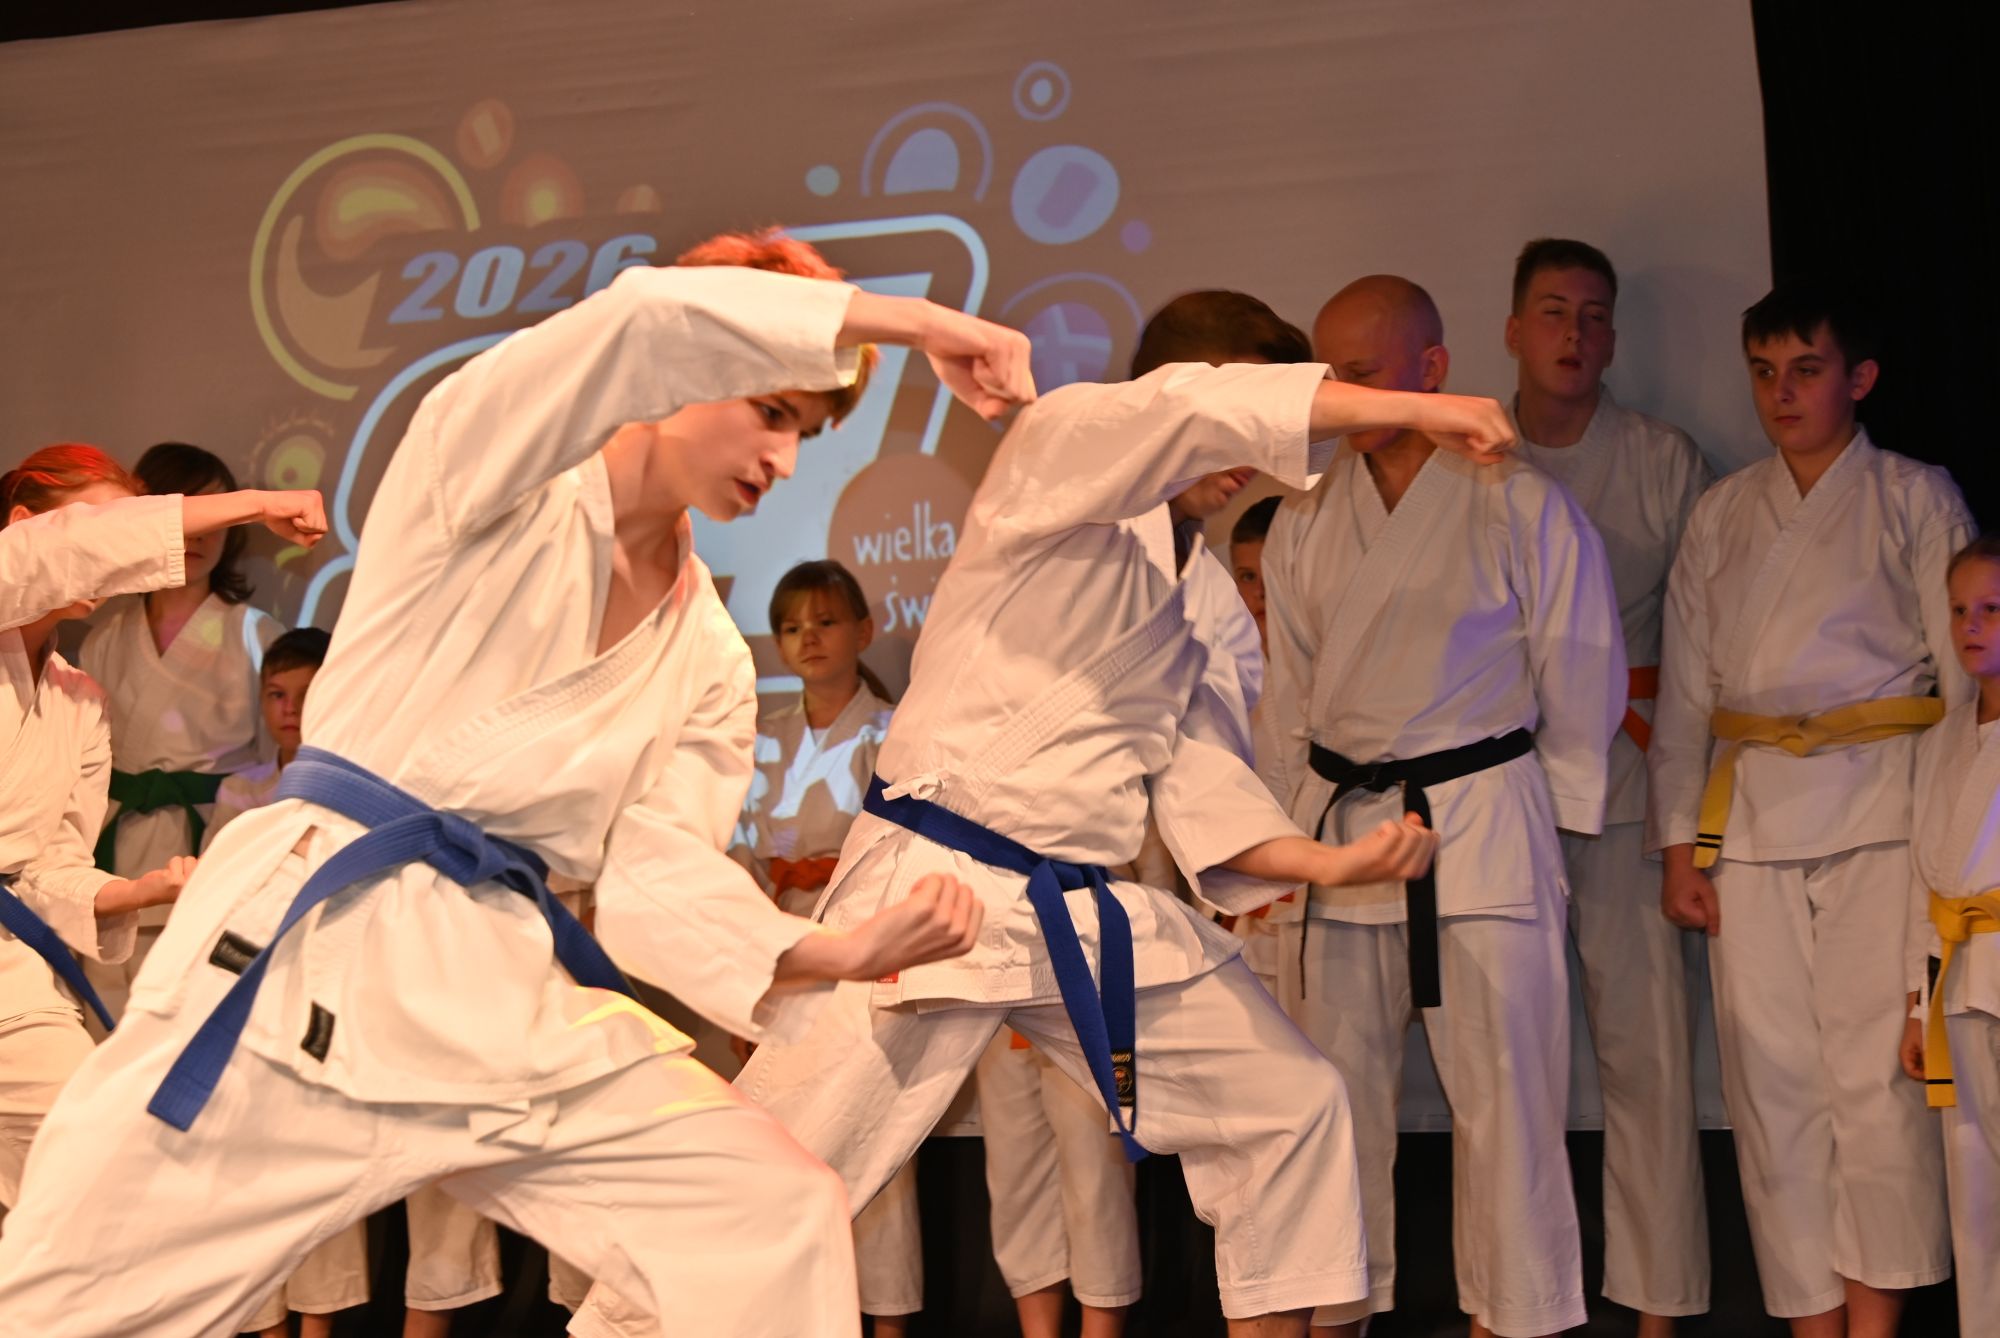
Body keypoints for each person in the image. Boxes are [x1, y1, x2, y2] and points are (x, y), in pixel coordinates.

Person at [0, 231, 1033, 1337]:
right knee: (64, 1310)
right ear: (689, 366)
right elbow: (641, 318)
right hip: (310, 955)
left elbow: (656, 867)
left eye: (807, 434)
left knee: (767, 1212)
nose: (783, 459)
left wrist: (829, 952)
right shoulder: (492, 461)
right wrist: (923, 323)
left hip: (498, 990)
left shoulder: (704, 648)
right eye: (772, 411)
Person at [732, 306, 1517, 1338]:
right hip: (932, 887)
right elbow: (1191, 409)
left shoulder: (1199, 601)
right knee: (770, 1181)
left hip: (1076, 907)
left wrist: (1331, 862)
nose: (1247, 458)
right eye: (1239, 414)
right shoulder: (1062, 440)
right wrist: (1424, 408)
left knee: (1290, 1105)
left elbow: (1200, 781)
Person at [1258, 274, 1624, 1338]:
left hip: (1479, 827)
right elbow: (1286, 701)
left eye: (1361, 372)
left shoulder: (1519, 502)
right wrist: (1280, 843)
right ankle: (1336, 1318)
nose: (1340, 395)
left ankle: (1514, 1321)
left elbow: (1582, 672)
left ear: (1431, 370)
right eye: (1327, 375)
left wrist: (1550, 823)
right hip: (1344, 836)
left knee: (1509, 1111)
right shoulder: (1304, 519)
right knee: (1334, 1110)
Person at [1649, 281, 1966, 1336]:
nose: (1780, 393)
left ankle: (1872, 1325)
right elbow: (1686, 691)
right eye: (1762, 373)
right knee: (1769, 1085)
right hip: (1746, 823)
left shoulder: (1914, 497)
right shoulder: (1721, 512)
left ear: (1858, 378)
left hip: (1883, 810)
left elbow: (1966, 680)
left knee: (1873, 1080)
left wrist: (1958, 838)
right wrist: (1676, 846)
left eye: (1805, 370)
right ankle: (1808, 1321)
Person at [1, 448, 322, 1212]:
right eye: (102, 524)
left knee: (92, 1171)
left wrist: (136, 890)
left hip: (12, 974)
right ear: (21, 528)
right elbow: (56, 554)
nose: (115, 549)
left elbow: (43, 868)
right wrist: (254, 503)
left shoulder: (79, 698)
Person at [1506, 237, 1713, 1333]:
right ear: (1512, 330)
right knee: (1511, 1073)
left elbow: (1706, 635)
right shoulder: (1472, 457)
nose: (1573, 335)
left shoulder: (1660, 459)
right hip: (1502, 791)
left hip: (1630, 776)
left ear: (1613, 337)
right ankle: (1520, 1302)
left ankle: (1658, 1307)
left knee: (1647, 1061)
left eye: (1592, 316)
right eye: (1552, 312)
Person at [734, 559, 920, 1336]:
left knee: (870, 1139)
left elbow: (909, 849)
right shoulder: (761, 738)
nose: (808, 638)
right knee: (777, 1146)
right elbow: (737, 851)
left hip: (863, 946)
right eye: (791, 627)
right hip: (776, 949)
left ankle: (888, 1320)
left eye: (825, 621)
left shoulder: (895, 731)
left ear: (865, 631)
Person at [78, 443, 285, 1032]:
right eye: (182, 511)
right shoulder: (105, 638)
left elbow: (277, 762)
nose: (198, 533)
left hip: (215, 844)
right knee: (106, 1017)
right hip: (115, 848)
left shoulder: (257, 636)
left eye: (213, 514)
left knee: (192, 1016)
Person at [1901, 533, 2000, 1338]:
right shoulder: (1941, 738)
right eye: (1961, 609)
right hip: (1956, 986)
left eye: (1992, 609)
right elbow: (1923, 882)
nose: (1971, 626)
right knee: (1974, 1202)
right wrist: (1915, 1004)